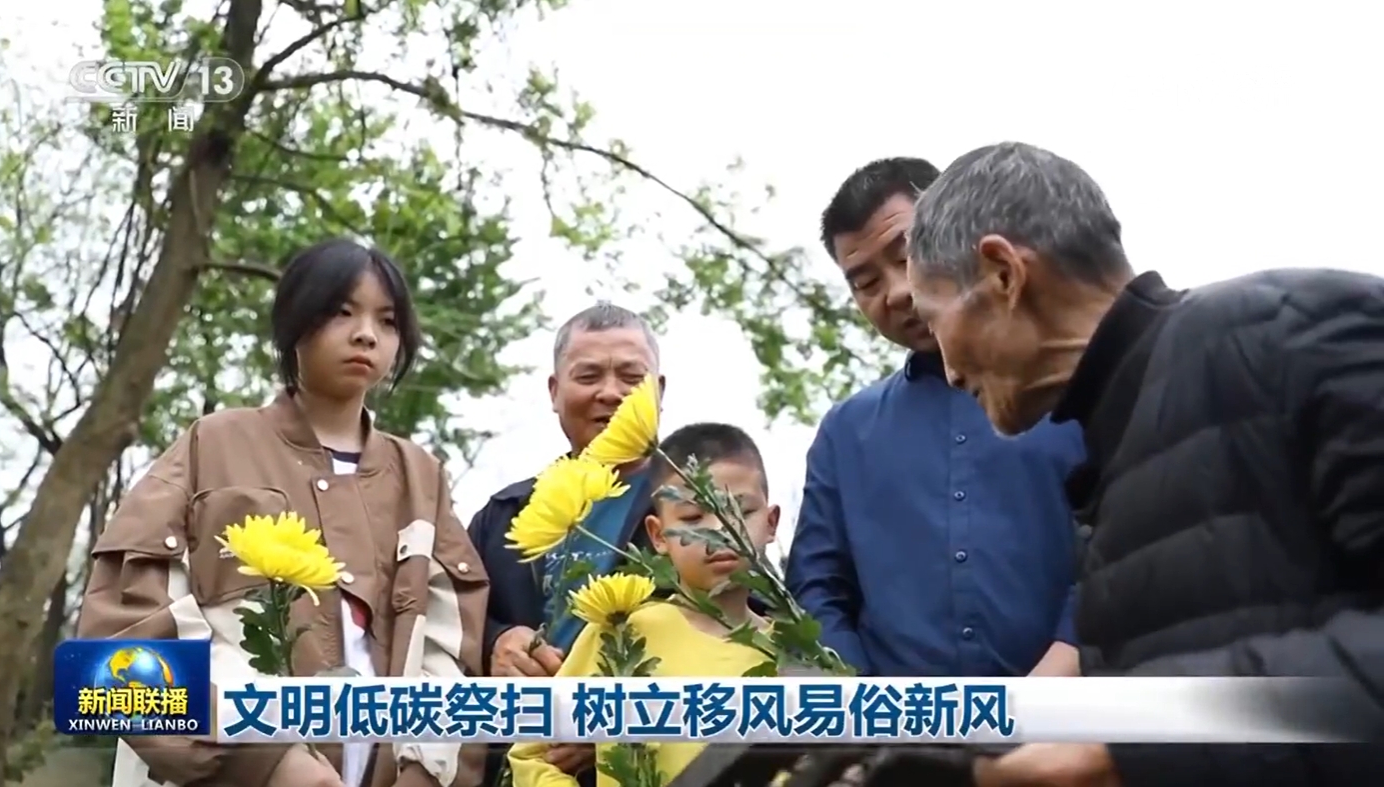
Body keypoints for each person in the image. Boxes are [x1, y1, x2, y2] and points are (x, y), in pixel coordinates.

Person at [903, 141, 1384, 786]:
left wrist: (1127, 750)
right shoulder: (1115, 452)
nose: (948, 368)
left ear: (1003, 273)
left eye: (934, 320)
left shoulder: (1293, 334)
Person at [77, 239, 488, 787]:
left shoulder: (421, 478)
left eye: (386, 321)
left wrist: (427, 770)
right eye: (342, 311)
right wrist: (263, 757)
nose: (366, 333)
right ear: (296, 321)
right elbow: (120, 645)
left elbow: (451, 649)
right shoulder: (212, 445)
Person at [786, 157, 1085, 679]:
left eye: (905, 255)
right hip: (898, 743)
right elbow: (817, 589)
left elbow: (1125, 549)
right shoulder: (846, 432)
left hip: (1084, 725)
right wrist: (859, 714)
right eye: (864, 281)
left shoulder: (1080, 386)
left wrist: (1055, 682)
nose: (896, 291)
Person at [506, 422, 780, 787]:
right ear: (659, 535)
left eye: (741, 512)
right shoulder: (621, 632)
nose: (719, 531)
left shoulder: (795, 655)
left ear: (772, 522)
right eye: (692, 518)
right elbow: (530, 755)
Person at [469, 302, 664, 783]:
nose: (611, 393)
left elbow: (748, 634)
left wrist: (621, 723)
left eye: (631, 377)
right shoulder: (504, 515)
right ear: (554, 392)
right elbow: (445, 623)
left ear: (659, 391)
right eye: (589, 375)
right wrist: (494, 642)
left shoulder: (697, 508)